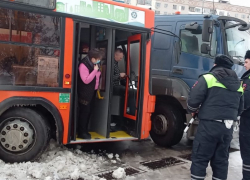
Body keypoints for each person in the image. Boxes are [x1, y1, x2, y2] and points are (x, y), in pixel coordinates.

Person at [187, 54, 244, 180]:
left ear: (215, 65)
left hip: (209, 126)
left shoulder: (208, 78)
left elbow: (193, 99)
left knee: (200, 158)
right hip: (227, 128)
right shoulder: (239, 84)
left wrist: (192, 110)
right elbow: (240, 109)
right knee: (221, 161)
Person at [77, 48, 103, 139]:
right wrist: (95, 70)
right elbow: (86, 80)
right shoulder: (83, 65)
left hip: (93, 91)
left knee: (89, 112)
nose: (99, 60)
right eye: (98, 58)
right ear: (92, 58)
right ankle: (81, 132)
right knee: (84, 112)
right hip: (85, 92)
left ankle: (85, 130)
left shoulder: (95, 64)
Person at [240, 50, 250, 180]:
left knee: (247, 155)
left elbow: (244, 101)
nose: (244, 65)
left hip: (248, 124)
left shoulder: (248, 79)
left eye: (246, 62)